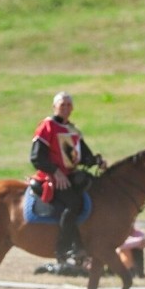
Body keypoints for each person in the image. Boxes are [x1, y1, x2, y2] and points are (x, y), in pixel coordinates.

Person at [30, 91, 107, 268]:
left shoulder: (73, 130)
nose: (65, 108)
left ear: (72, 108)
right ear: (54, 107)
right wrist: (56, 172)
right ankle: (64, 249)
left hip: (69, 176)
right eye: (61, 105)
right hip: (50, 176)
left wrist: (98, 161)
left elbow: (84, 157)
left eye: (68, 105)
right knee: (73, 203)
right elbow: (36, 157)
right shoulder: (47, 126)